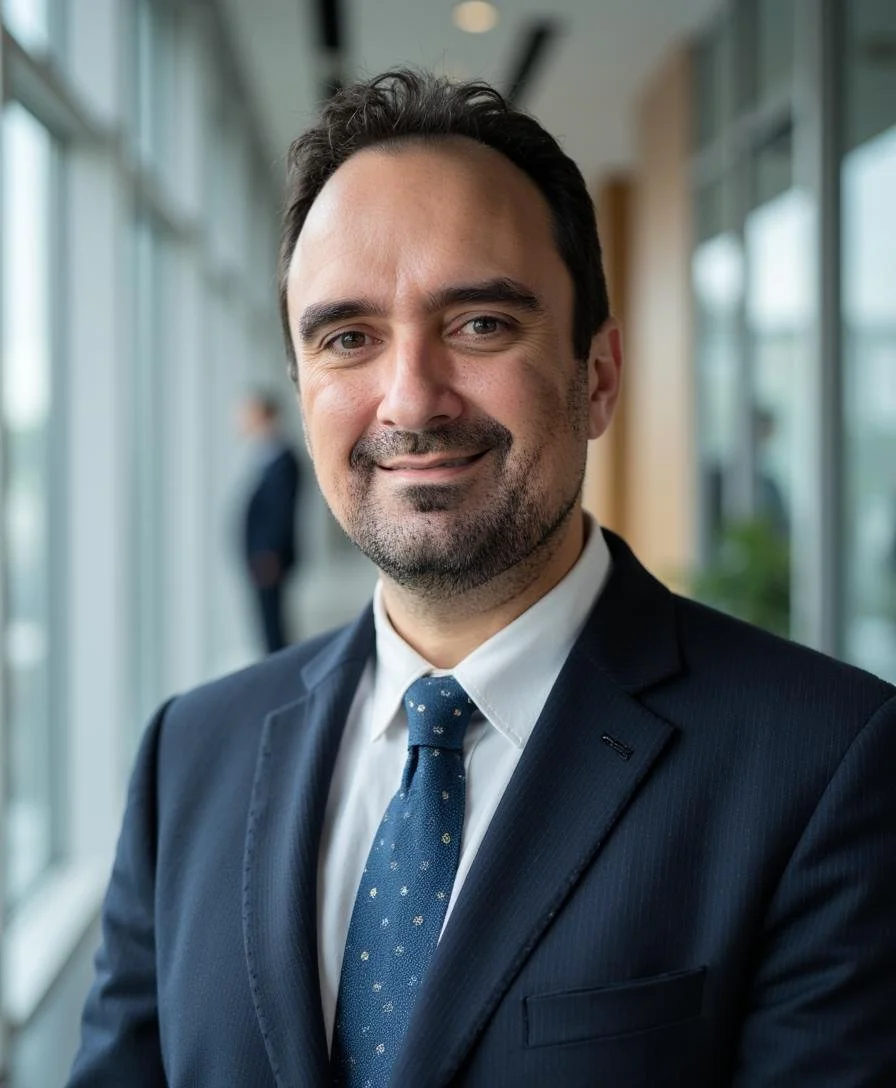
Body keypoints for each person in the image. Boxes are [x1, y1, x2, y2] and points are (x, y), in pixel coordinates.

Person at [68, 70, 896, 1087]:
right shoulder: (188, 756)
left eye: (480, 325)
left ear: (596, 375)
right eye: (347, 338)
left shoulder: (822, 763)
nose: (409, 398)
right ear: (300, 386)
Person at [237, 390, 301, 653]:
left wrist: (269, 553)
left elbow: (281, 512)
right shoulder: (263, 457)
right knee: (266, 623)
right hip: (261, 559)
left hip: (269, 561)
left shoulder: (283, 459)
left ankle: (278, 671)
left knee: (273, 625)